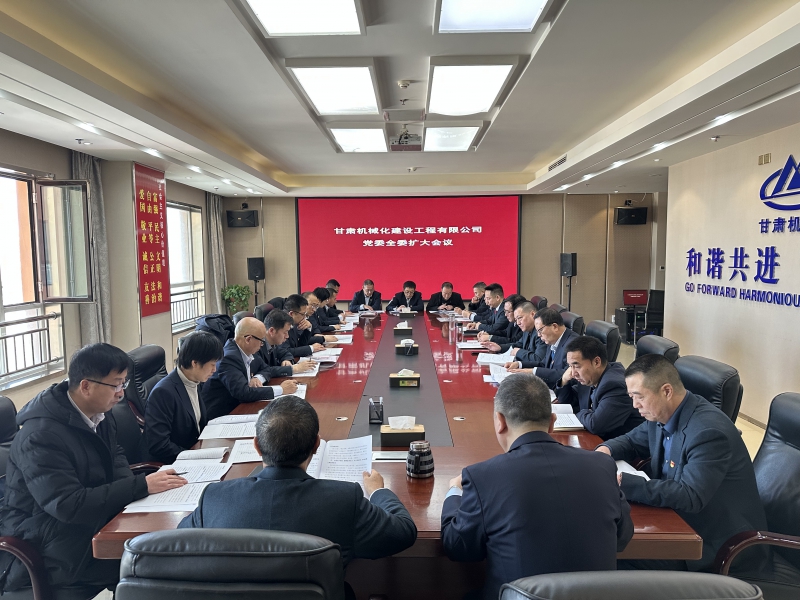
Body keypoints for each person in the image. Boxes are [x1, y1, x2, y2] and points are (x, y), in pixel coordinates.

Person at [178, 395, 417, 596]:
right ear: (316, 445)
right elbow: (403, 532)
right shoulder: (344, 500)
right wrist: (378, 491)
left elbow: (177, 547)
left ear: (257, 446)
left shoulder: (214, 498)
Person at [0, 343, 187, 595]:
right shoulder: (40, 436)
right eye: (116, 385)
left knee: (163, 548)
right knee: (152, 561)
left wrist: (133, 496)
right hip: (46, 545)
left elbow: (115, 456)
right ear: (86, 386)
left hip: (87, 525)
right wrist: (139, 486)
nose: (121, 393)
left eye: (124, 383)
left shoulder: (99, 413)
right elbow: (68, 505)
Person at [441, 373, 633, 600]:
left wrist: (454, 491)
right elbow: (622, 536)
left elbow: (458, 547)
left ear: (500, 421)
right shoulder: (602, 466)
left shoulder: (482, 476)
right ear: (553, 421)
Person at [597, 355, 768, 573]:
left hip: (716, 544)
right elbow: (631, 441)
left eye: (639, 397)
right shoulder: (661, 412)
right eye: (631, 397)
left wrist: (625, 483)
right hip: (676, 518)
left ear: (666, 391)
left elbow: (690, 495)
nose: (634, 405)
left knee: (611, 553)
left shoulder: (708, 432)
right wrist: (603, 452)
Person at [145, 331, 224, 463]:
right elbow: (159, 445)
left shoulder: (195, 380)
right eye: (212, 364)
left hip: (196, 451)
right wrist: (194, 456)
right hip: (176, 462)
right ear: (195, 363)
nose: (214, 370)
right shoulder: (163, 393)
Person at [202, 316, 298, 420]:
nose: (262, 345)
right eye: (261, 340)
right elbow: (243, 393)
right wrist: (281, 389)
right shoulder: (228, 358)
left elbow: (266, 369)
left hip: (242, 407)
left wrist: (257, 377)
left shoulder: (248, 350)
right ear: (248, 339)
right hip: (223, 415)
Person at [555, 336, 644, 440]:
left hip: (618, 444)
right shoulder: (590, 377)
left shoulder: (615, 386)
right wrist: (564, 380)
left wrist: (579, 413)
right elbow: (569, 402)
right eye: (570, 366)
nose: (573, 373)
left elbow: (595, 425)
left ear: (596, 362)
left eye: (577, 366)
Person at [506, 307, 579, 388]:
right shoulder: (552, 339)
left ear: (554, 327)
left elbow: (568, 374)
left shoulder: (574, 345)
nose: (538, 335)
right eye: (537, 331)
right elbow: (543, 364)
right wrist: (519, 364)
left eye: (540, 330)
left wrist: (533, 371)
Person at [283, 294, 327, 358]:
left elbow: (299, 344)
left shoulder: (293, 323)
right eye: (303, 314)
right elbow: (284, 351)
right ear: (292, 314)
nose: (305, 317)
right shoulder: (281, 325)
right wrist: (311, 348)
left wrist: (308, 329)